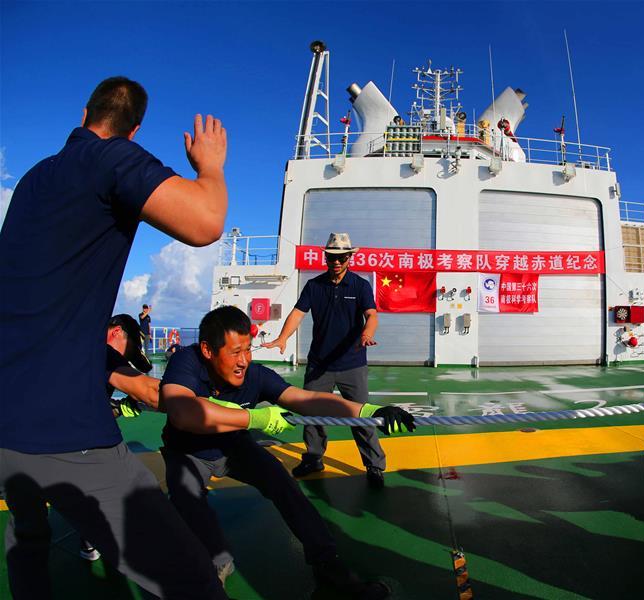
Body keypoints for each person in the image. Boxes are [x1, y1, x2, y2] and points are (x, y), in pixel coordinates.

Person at [0, 76, 229, 598]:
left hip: (5, 412)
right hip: (62, 426)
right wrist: (209, 165)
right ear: (134, 131)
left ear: (84, 112)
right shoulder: (111, 159)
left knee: (29, 543)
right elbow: (205, 222)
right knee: (192, 582)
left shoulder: (37, 176)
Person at [160, 305, 414, 595]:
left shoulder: (256, 376)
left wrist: (368, 410)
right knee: (186, 500)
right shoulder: (186, 362)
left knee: (284, 485)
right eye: (235, 352)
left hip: (233, 445)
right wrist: (254, 418)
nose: (244, 361)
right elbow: (182, 412)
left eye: (248, 350)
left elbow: (305, 400)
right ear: (207, 350)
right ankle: (215, 564)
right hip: (188, 451)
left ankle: (328, 567)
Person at [265, 232, 387, 488]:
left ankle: (374, 466)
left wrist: (367, 332)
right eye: (332, 257)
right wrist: (282, 337)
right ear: (325, 258)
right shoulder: (315, 286)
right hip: (319, 365)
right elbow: (298, 314)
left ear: (349, 258)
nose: (337, 262)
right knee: (312, 415)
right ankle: (313, 458)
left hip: (352, 364)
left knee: (361, 417)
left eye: (342, 257)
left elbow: (372, 315)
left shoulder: (360, 285)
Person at [80, 314, 161, 563]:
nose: (123, 360)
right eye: (126, 353)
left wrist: (117, 407)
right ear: (116, 332)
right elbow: (150, 391)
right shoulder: (100, 351)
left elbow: (84, 401)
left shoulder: (74, 348)